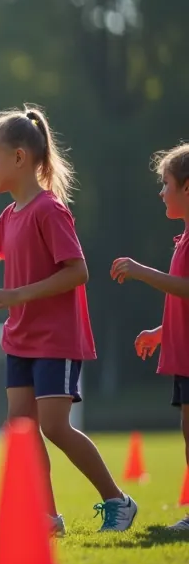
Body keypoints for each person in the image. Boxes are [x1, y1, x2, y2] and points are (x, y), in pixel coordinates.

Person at [0, 105, 137, 535]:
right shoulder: (10, 215)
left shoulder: (48, 210)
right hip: (20, 338)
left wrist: (14, 295)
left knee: (55, 426)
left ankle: (118, 501)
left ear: (19, 158)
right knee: (21, 428)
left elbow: (78, 272)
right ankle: (47, 519)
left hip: (55, 339)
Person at [110, 142, 189, 531]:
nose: (161, 192)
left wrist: (141, 270)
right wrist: (162, 332)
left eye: (166, 183)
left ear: (187, 188)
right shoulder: (183, 239)